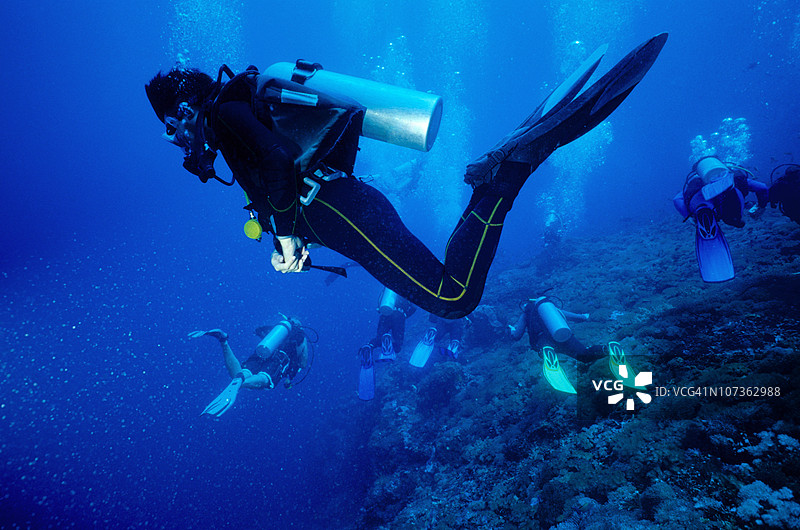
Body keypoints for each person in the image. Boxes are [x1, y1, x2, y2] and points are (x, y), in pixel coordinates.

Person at [145, 34, 666, 319]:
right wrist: (293, 239)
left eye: (171, 124)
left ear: (189, 107)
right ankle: (500, 178)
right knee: (451, 293)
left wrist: (283, 239)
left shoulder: (224, 113)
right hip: (343, 209)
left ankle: (506, 175)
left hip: (341, 211)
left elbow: (280, 160)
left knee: (453, 298)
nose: (173, 139)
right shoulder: (232, 113)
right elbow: (285, 170)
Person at [673, 156, 769, 282]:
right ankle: (732, 217)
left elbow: (676, 200)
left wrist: (690, 216)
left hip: (701, 196)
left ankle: (702, 210)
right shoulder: (734, 175)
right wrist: (761, 206)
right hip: (732, 195)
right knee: (735, 220)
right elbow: (762, 188)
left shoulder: (696, 181)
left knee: (703, 204)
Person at [189, 317, 309, 417]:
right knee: (264, 380)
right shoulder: (300, 337)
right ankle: (241, 383)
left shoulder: (278, 330)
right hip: (280, 358)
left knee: (241, 372)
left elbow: (258, 331)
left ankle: (223, 340)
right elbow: (303, 363)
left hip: (263, 351)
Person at [508, 296, 601, 394]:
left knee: (545, 348)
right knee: (584, 355)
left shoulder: (526, 314)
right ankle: (605, 349)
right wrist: (584, 317)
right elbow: (575, 317)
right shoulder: (551, 309)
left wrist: (512, 330)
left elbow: (517, 336)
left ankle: (547, 352)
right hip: (562, 336)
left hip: (543, 340)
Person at [358, 287, 417, 400]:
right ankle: (388, 341)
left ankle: (369, 347)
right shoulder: (406, 290)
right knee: (398, 346)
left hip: (385, 315)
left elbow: (379, 306)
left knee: (378, 339)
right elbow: (414, 308)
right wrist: (404, 315)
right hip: (399, 315)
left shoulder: (387, 290)